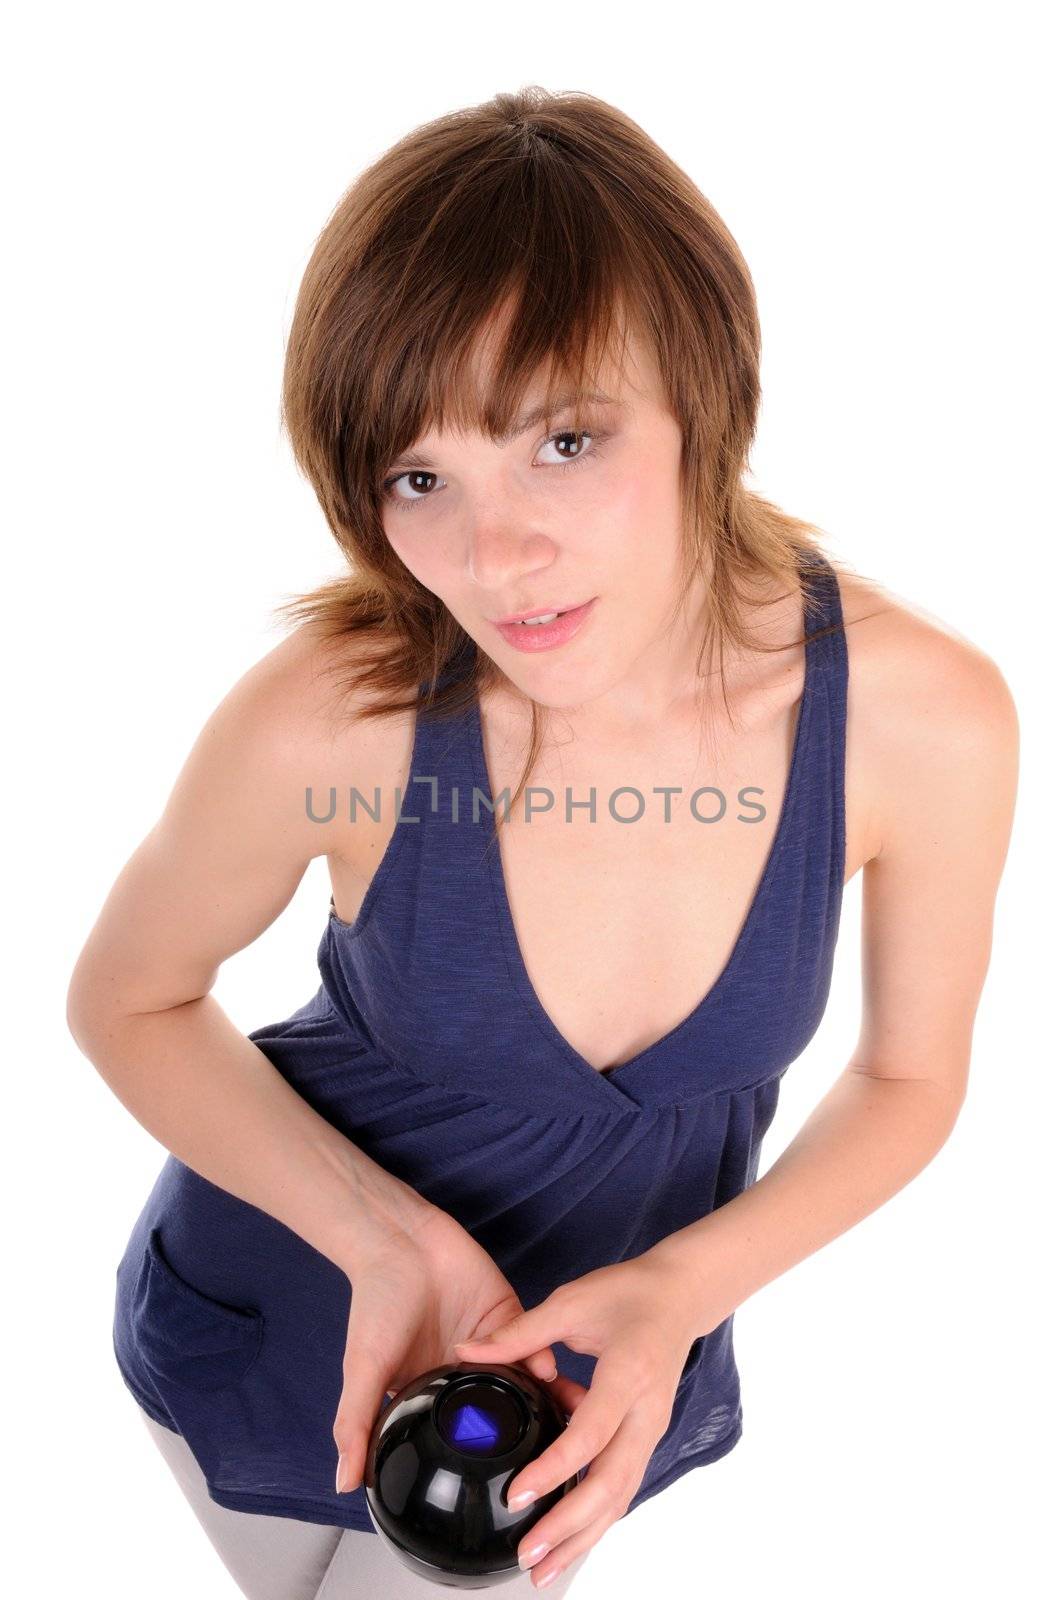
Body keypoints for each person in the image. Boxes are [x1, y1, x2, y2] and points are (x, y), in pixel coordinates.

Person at [65, 86, 1019, 1599]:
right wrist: (379, 1238)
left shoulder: (924, 721)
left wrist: (679, 1289)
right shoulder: (337, 715)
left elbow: (910, 1081)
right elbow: (125, 996)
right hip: (263, 1317)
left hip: (585, 1392)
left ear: (709, 389)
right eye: (417, 479)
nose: (492, 555)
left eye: (564, 441)